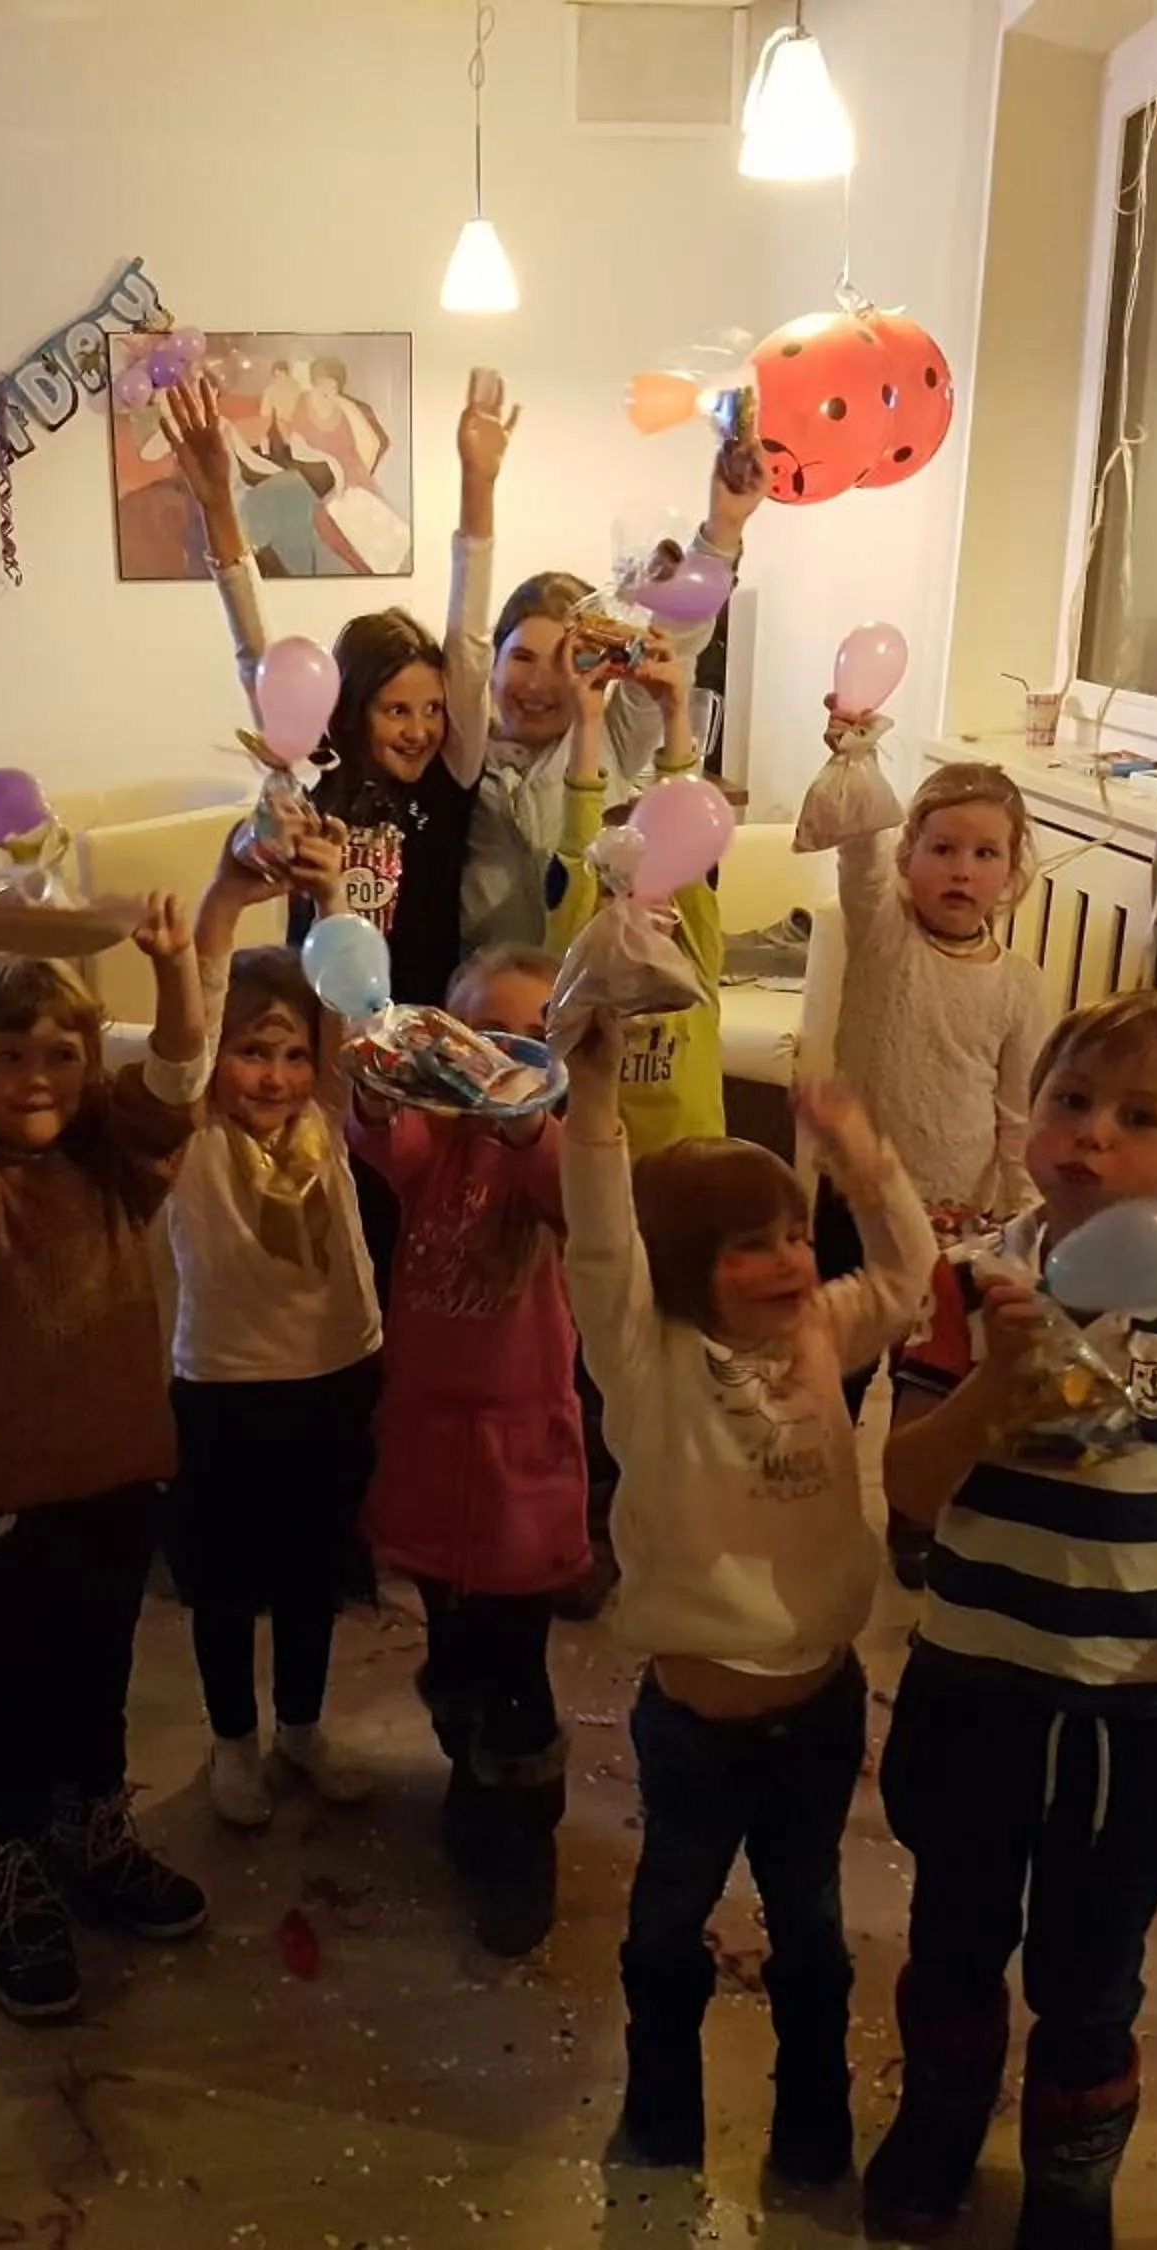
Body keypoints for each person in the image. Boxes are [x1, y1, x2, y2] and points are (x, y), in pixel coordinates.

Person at [869, 990, 1157, 2248]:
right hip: (976, 1676)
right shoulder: (971, 1285)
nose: (1090, 1138)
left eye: (1137, 1117)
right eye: (1070, 1101)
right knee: (953, 1932)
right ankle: (943, 2116)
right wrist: (993, 1388)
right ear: (1031, 1115)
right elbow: (907, 1487)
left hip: (1137, 1697)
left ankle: (1071, 2170)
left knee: (1092, 1970)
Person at [563, 1016, 934, 2185]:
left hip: (819, 1712)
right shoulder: (647, 1356)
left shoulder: (823, 1330)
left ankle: (813, 2122)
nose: (784, 1261)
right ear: (682, 1269)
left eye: (789, 1236)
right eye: (745, 1248)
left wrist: (865, 1159)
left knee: (813, 1938)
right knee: (667, 1931)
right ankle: (662, 2110)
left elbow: (912, 1281)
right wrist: (593, 1101)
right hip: (693, 1731)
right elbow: (601, 1248)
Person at [0, 876, 210, 2026]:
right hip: (9, 1498)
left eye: (63, 1056)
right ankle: (17, 1860)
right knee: (18, 1690)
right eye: (9, 1057)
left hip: (123, 1474)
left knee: (100, 1671)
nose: (38, 1079)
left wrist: (174, 963)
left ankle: (90, 1827)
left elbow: (175, 1078)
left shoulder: (119, 1164)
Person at [348, 945, 589, 1955]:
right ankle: (467, 1767)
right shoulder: (434, 1145)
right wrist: (371, 1074)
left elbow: (574, 1194)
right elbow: (374, 1132)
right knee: (449, 1649)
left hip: (518, 1459)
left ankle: (523, 1828)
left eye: (525, 1041)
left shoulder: (557, 1157)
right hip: (428, 1443)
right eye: (478, 1039)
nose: (498, 1060)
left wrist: (525, 1115)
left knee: (515, 1663)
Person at [164, 815, 386, 1831]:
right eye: (254, 1052)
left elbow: (345, 1007)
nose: (277, 1075)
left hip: (336, 1368)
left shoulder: (326, 1116)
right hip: (224, 1382)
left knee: (310, 1570)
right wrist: (223, 902)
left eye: (292, 1055)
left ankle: (300, 1726)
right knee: (223, 1580)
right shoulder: (193, 1135)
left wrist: (333, 898)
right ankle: (232, 1742)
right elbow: (193, 1015)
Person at [162, 372, 471, 1011]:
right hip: (320, 1030)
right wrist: (220, 505)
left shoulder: (451, 784)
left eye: (433, 709)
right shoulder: (307, 786)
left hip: (427, 1024)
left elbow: (473, 641)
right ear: (351, 713)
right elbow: (256, 657)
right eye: (396, 711)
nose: (419, 730)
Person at [826, 751, 1053, 1586]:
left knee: (924, 1378)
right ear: (908, 858)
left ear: (1013, 872)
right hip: (849, 1203)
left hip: (956, 1218)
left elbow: (1021, 1114)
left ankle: (913, 1521)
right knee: (836, 1367)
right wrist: (851, 754)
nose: (962, 870)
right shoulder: (884, 935)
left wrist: (1024, 1221)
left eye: (985, 853)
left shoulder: (1020, 987)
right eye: (943, 849)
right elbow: (854, 850)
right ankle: (812, 1504)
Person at [445, 376, 763, 949]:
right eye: (521, 658)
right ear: (492, 666)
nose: (541, 682)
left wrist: (725, 528)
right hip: (486, 1000)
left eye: (563, 658)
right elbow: (462, 636)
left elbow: (677, 640)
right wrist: (478, 485)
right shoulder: (463, 754)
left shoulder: (614, 735)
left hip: (595, 996)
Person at [544, 650, 728, 1155]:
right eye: (613, 889)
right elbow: (577, 849)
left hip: (695, 1173)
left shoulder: (693, 959)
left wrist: (674, 709)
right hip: (601, 1172)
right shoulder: (579, 970)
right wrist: (588, 719)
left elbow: (684, 826)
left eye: (651, 879)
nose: (633, 903)